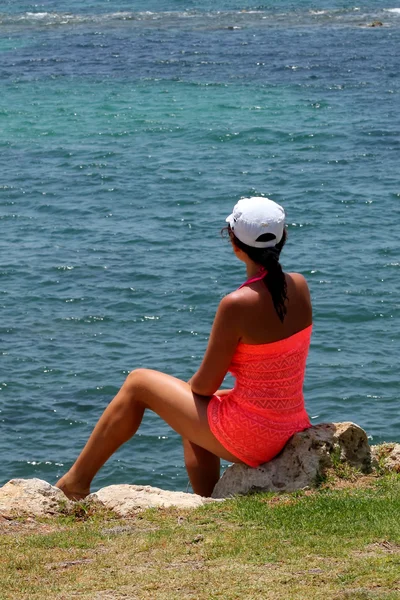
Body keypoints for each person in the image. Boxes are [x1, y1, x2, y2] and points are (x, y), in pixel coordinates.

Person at [56, 197, 312, 499]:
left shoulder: (237, 304)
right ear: (283, 237)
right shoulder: (299, 286)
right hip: (291, 425)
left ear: (235, 244)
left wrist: (186, 393)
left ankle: (75, 483)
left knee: (139, 383)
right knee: (198, 408)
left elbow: (204, 386)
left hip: (257, 438)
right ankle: (210, 501)